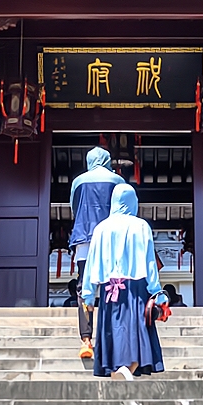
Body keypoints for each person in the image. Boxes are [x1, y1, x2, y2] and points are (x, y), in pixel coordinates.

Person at [79, 183, 167, 378]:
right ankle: (127, 370)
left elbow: (91, 262)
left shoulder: (101, 228)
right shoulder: (141, 226)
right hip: (135, 288)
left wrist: (88, 294)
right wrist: (157, 293)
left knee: (114, 331)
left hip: (109, 289)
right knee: (138, 333)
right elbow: (149, 262)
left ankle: (118, 371)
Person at [67, 145, 123, 359]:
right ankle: (111, 337)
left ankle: (86, 341)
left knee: (84, 289)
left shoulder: (78, 181)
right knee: (113, 287)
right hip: (110, 239)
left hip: (84, 239)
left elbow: (74, 208)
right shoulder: (117, 181)